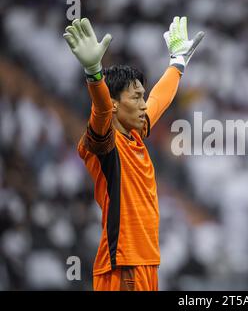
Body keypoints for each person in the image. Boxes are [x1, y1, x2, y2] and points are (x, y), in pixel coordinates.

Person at [63, 16, 204, 291]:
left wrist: (177, 63)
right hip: (122, 266)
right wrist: (94, 73)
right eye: (135, 97)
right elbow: (101, 109)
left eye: (142, 96)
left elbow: (158, 101)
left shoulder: (134, 135)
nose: (143, 104)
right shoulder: (105, 142)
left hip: (145, 263)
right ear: (115, 105)